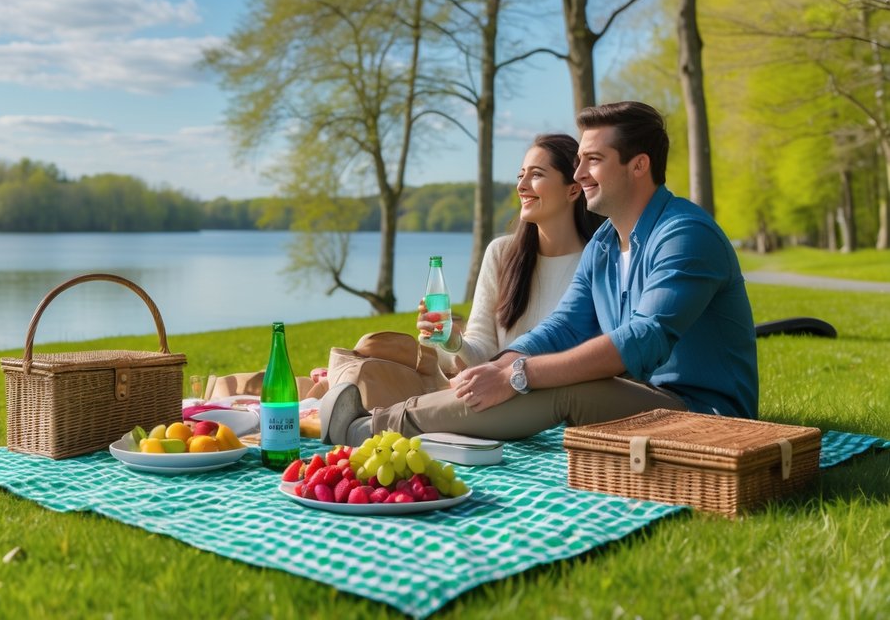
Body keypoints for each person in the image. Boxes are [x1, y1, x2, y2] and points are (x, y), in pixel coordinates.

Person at [321, 100, 758, 445]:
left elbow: (644, 338)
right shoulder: (605, 244)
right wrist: (500, 366)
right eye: (580, 161)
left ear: (638, 164)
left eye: (593, 160)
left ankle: (364, 430)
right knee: (528, 372)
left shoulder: (685, 234)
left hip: (708, 417)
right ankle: (377, 425)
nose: (580, 172)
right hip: (647, 399)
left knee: (561, 385)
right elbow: (563, 326)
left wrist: (520, 374)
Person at [315, 133, 599, 408]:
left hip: (559, 405)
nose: (522, 185)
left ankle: (368, 421)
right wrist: (452, 339)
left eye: (536, 175)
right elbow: (484, 353)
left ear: (573, 188)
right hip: (496, 400)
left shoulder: (597, 261)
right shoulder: (502, 254)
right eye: (520, 175)